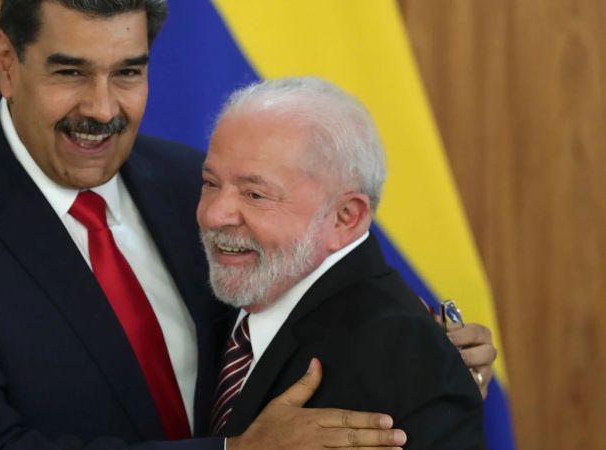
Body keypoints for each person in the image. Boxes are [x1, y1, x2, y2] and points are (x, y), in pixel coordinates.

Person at [0, 1, 494, 448]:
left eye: (128, 72)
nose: (101, 109)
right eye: (70, 72)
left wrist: (419, 358)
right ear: (8, 62)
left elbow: (331, 286)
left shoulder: (195, 184)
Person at [198, 77, 486, 448]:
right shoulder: (230, 282)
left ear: (345, 217)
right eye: (210, 183)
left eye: (255, 194)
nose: (214, 214)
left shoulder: (403, 355)